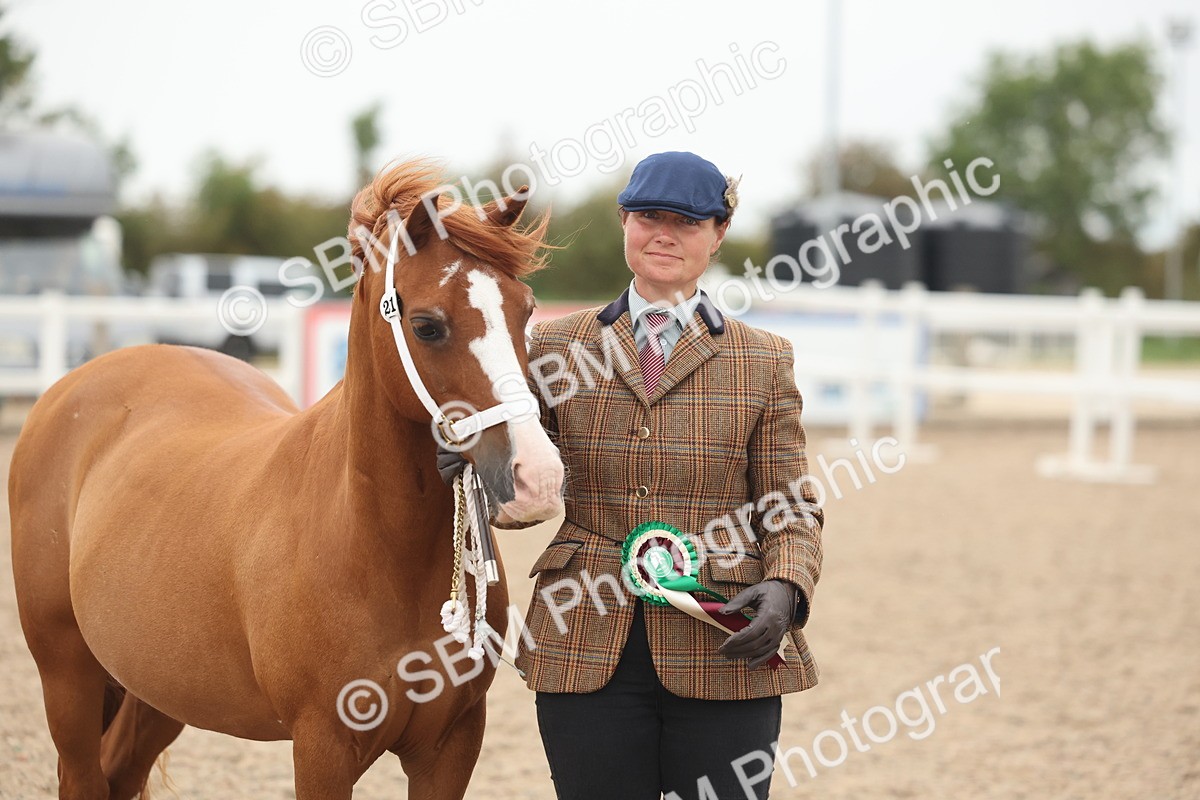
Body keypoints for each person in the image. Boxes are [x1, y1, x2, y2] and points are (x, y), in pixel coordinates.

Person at [442, 151, 824, 800]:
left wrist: (788, 584)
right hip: (584, 635)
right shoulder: (554, 348)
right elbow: (523, 486)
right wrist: (471, 464)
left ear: (718, 234)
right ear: (624, 221)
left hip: (721, 637)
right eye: (649, 215)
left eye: (688, 221)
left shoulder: (763, 360)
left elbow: (788, 502)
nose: (665, 233)